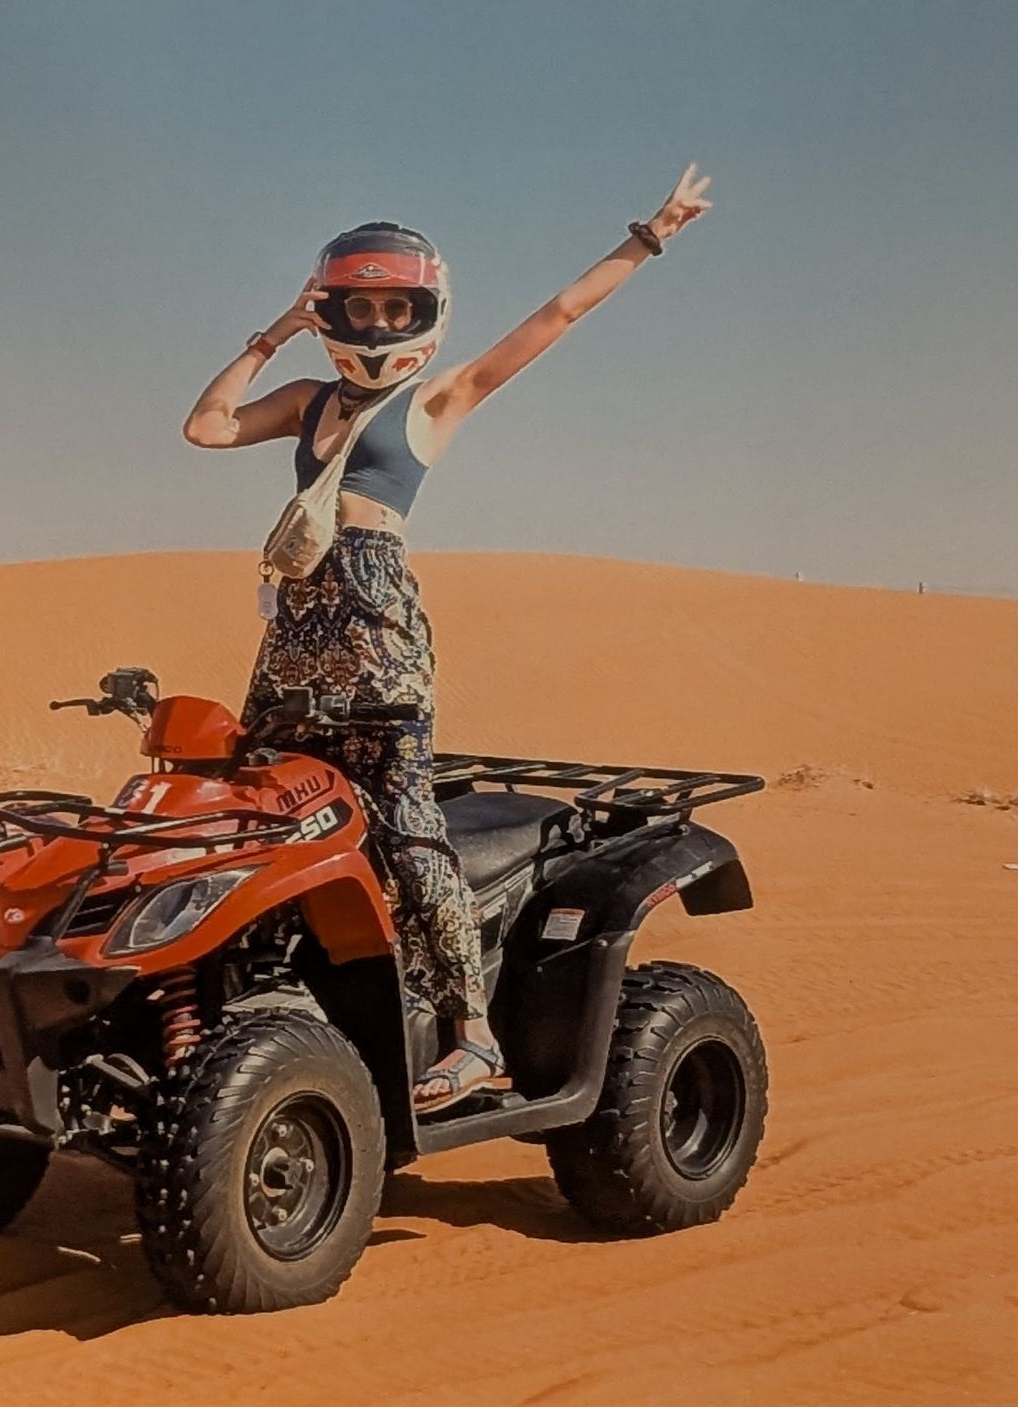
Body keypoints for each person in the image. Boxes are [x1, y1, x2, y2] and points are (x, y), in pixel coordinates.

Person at [182, 164, 714, 1112]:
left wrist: (650, 236)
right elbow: (207, 426)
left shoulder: (434, 404)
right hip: (298, 631)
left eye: (397, 307)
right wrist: (274, 332)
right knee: (249, 804)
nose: (379, 325)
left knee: (409, 828)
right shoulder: (307, 400)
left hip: (380, 631)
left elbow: (552, 320)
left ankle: (472, 1033)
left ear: (423, 311)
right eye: (360, 305)